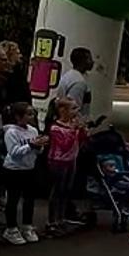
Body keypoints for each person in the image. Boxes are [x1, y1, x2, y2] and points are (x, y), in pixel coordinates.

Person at [2, 103, 48, 245]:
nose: (31, 116)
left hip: (29, 169)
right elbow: (14, 153)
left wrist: (39, 145)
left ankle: (27, 226)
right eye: (28, 114)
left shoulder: (33, 130)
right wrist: (31, 145)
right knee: (13, 200)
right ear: (18, 116)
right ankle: (11, 228)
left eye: (32, 113)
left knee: (29, 199)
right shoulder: (11, 133)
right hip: (14, 170)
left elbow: (37, 151)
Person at [45, 98, 88, 238]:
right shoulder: (56, 128)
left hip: (71, 160)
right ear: (62, 110)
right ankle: (52, 221)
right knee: (57, 190)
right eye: (74, 109)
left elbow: (80, 141)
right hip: (58, 161)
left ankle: (61, 218)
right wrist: (74, 130)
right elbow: (64, 145)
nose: (77, 112)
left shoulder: (71, 124)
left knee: (66, 191)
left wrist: (82, 131)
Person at [56, 47, 95, 121]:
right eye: (90, 59)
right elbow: (73, 108)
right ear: (83, 61)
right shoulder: (79, 82)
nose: (92, 62)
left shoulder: (69, 75)